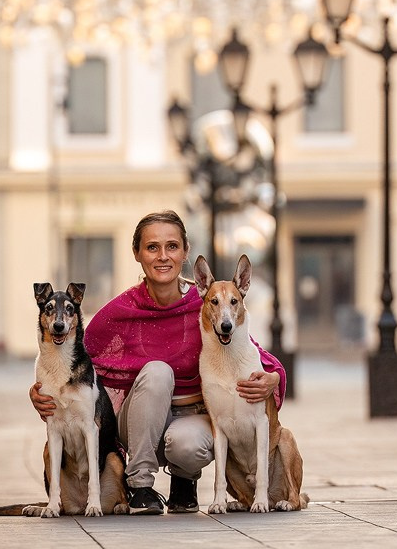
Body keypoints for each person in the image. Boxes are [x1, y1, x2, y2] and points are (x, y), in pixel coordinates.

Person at [30, 210, 286, 515]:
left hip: (193, 417)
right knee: (157, 372)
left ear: (185, 251)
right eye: (152, 247)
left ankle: (184, 481)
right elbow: (72, 354)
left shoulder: (208, 303)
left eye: (172, 246)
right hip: (138, 420)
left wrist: (274, 377)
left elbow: (251, 350)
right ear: (137, 253)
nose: (163, 256)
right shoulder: (119, 312)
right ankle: (139, 485)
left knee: (187, 443)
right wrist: (41, 391)